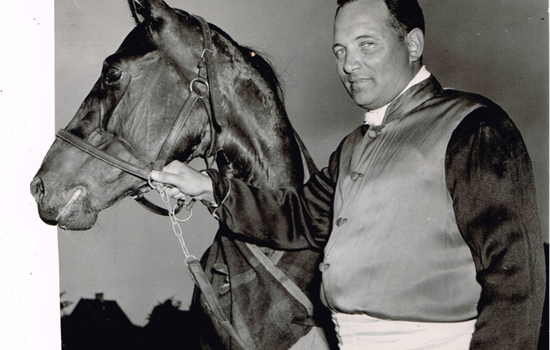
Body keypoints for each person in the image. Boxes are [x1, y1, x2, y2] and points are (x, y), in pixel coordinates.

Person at [151, 0, 546, 349]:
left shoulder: (473, 126)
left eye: (366, 45)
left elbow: (515, 279)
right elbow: (300, 217)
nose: (348, 64)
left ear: (412, 45)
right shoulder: (354, 145)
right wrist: (206, 186)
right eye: (339, 51)